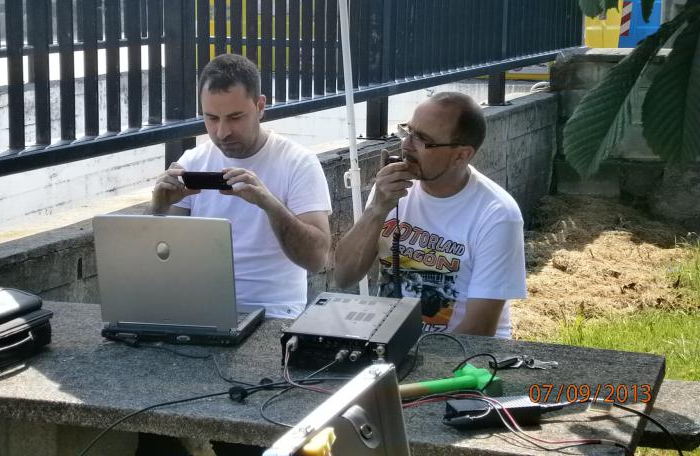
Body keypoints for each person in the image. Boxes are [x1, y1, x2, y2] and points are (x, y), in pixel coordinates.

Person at [148, 53, 332, 319]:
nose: (222, 132)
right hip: (200, 308)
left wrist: (269, 205)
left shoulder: (298, 163)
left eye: (235, 117)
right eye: (212, 118)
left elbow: (316, 259)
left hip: (273, 312)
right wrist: (158, 208)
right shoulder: (192, 162)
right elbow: (158, 257)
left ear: (260, 106)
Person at [334, 92, 526, 338]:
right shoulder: (391, 188)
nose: (405, 145)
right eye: (408, 131)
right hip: (393, 342)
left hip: (461, 353)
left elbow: (478, 330)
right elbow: (344, 276)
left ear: (461, 155)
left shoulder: (497, 215)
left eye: (422, 139)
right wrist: (376, 209)